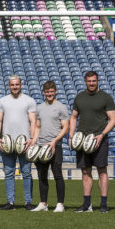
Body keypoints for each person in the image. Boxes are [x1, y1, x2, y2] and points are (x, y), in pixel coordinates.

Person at [69, 71, 115, 213]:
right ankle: (87, 205)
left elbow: (113, 119)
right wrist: (71, 135)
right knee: (85, 171)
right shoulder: (79, 97)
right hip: (82, 141)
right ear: (85, 81)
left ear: (97, 81)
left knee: (102, 171)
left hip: (98, 140)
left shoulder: (106, 98)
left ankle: (103, 204)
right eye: (89, 81)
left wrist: (102, 135)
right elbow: (73, 117)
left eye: (94, 81)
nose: (91, 83)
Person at [0, 75, 37, 210]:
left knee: (27, 173)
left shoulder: (29, 101)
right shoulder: (2, 101)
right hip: (7, 143)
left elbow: (33, 121)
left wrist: (31, 138)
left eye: (17, 84)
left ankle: (28, 202)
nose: (15, 87)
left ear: (21, 85)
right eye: (12, 85)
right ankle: (10, 202)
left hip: (24, 143)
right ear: (8, 86)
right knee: (9, 172)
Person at [31, 80, 69, 212]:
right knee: (42, 175)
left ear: (55, 92)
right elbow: (37, 126)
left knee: (57, 174)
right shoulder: (40, 107)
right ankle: (43, 203)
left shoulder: (61, 107)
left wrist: (55, 141)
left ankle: (60, 204)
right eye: (47, 92)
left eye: (51, 92)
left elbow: (65, 127)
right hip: (41, 146)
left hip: (55, 146)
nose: (49, 94)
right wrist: (34, 141)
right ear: (44, 93)